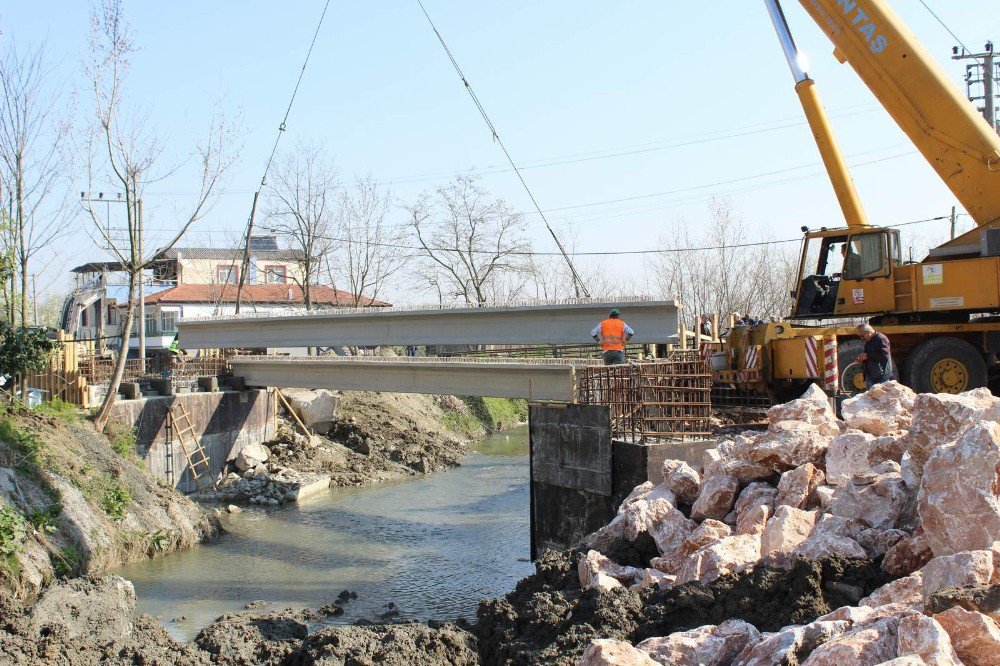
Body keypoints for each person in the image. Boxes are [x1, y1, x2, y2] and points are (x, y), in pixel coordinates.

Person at [856, 322, 893, 389]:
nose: (862, 338)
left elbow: (884, 356)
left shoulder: (881, 339)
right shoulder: (869, 340)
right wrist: (862, 359)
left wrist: (867, 356)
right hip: (871, 375)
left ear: (868, 332)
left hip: (881, 377)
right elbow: (870, 355)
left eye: (862, 336)